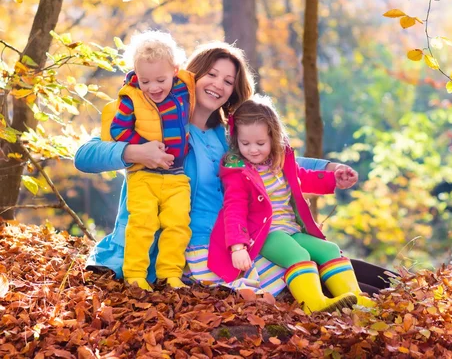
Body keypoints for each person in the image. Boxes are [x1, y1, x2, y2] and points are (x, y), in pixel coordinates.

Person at [75, 40, 396, 296]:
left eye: (228, 80)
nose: (218, 85)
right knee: (304, 276)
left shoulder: (226, 137)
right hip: (185, 251)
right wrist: (135, 151)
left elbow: (277, 161)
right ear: (190, 75)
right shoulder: (151, 121)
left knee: (354, 270)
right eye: (211, 74)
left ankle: (396, 289)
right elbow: (85, 155)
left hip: (231, 241)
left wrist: (329, 169)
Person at [208, 96, 375, 314]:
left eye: (260, 143)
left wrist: (334, 178)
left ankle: (356, 298)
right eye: (245, 143)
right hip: (265, 233)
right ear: (236, 140)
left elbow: (303, 177)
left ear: (273, 137)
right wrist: (237, 247)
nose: (253, 150)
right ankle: (315, 304)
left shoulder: (279, 160)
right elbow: (234, 208)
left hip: (291, 229)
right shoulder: (238, 170)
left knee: (329, 249)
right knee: (298, 255)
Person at [101, 31, 194, 291]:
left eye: (161, 79)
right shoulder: (131, 98)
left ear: (175, 70)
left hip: (176, 176)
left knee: (177, 224)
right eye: (145, 80)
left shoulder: (185, 89)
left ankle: (170, 274)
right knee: (142, 223)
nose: (153, 87)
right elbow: (118, 131)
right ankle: (134, 274)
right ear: (136, 74)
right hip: (143, 175)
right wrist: (144, 148)